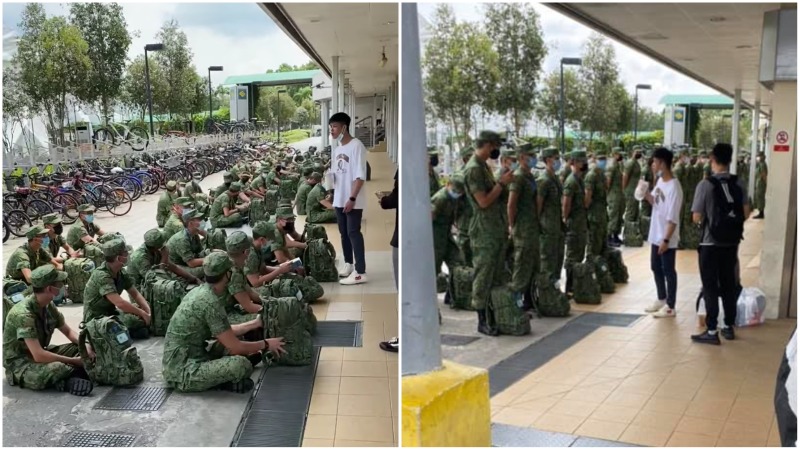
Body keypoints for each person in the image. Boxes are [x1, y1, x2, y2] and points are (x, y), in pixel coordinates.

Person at [162, 251, 287, 393]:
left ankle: (222, 376)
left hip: (191, 355)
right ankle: (222, 382)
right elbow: (236, 347)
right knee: (241, 365)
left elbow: (225, 331)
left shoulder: (201, 291)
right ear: (227, 274)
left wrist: (254, 324)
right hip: (183, 372)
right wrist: (266, 344)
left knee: (231, 343)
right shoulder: (211, 302)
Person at [690, 143, 750, 344]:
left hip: (710, 244)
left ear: (712, 159)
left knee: (710, 287)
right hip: (731, 243)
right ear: (730, 160)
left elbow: (696, 217)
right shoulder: (739, 183)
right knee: (728, 285)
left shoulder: (705, 185)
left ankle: (712, 330)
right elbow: (746, 213)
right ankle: (728, 327)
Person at [3, 266, 94, 396]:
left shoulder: (47, 305)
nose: (63, 285)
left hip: (42, 352)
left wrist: (85, 345)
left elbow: (68, 332)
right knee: (57, 367)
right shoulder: (23, 315)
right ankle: (67, 380)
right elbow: (38, 355)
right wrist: (74, 361)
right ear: (50, 289)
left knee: (82, 348)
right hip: (21, 364)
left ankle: (70, 375)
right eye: (59, 283)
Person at [463, 130, 510, 336]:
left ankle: (496, 314)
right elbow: (483, 202)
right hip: (484, 232)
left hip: (495, 229)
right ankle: (481, 320)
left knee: (497, 275)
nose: (497, 150)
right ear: (488, 145)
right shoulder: (474, 169)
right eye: (496, 146)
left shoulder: (483, 167)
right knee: (483, 275)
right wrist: (501, 184)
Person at [642, 147, 683, 318]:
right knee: (655, 266)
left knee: (668, 270)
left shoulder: (674, 187)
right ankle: (661, 298)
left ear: (663, 163)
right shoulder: (660, 182)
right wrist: (644, 194)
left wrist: (666, 240)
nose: (653, 164)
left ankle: (671, 306)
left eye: (655, 161)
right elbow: (655, 201)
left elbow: (673, 217)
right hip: (656, 233)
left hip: (667, 236)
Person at [82, 239, 151, 339]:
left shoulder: (120, 272)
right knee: (133, 320)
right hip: (96, 319)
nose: (127, 255)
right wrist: (143, 314)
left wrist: (147, 311)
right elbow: (120, 303)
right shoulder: (102, 276)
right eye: (125, 253)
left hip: (111, 312)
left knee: (140, 311)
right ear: (118, 258)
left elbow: (135, 293)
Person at [329, 112, 368, 285]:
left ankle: (360, 272)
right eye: (331, 127)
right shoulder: (337, 149)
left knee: (353, 232)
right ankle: (348, 264)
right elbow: (336, 174)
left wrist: (352, 198)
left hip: (352, 199)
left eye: (335, 126)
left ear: (344, 127)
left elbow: (360, 176)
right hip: (339, 198)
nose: (332, 130)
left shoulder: (356, 146)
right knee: (344, 234)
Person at [507, 143, 540, 310]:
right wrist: (512, 227)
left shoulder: (530, 176)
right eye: (530, 156)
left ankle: (528, 299)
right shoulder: (518, 176)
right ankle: (515, 304)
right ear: (521, 158)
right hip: (523, 229)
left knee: (533, 265)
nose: (533, 158)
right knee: (521, 267)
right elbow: (511, 205)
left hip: (532, 228)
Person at [127, 229, 202, 289]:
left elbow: (173, 267)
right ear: (157, 247)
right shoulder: (141, 258)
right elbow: (155, 280)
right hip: (140, 288)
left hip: (154, 280)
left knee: (181, 281)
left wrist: (194, 279)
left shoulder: (155, 250)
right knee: (175, 289)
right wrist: (164, 257)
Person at [431, 174, 465, 301]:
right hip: (436, 236)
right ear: (448, 185)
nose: (457, 193)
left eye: (459, 191)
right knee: (433, 268)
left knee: (457, 262)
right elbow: (430, 216)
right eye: (455, 190)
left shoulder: (456, 199)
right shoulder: (440, 197)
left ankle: (452, 295)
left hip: (446, 234)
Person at [562, 150, 589, 296]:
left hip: (581, 224)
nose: (583, 164)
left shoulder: (579, 180)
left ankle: (574, 285)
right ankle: (569, 287)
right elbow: (566, 204)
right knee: (572, 256)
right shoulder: (571, 181)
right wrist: (565, 219)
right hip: (573, 225)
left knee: (579, 254)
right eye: (580, 161)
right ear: (574, 163)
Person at [537, 147, 565, 285]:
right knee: (547, 260)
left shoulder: (555, 178)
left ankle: (554, 288)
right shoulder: (544, 180)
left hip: (557, 226)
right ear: (548, 160)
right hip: (547, 227)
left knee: (558, 259)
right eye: (556, 158)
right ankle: (546, 291)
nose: (558, 161)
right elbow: (538, 205)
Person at [378, 170, 398, 353]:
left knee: (404, 289)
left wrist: (384, 201)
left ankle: (403, 337)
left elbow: (395, 198)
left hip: (403, 239)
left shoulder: (405, 171)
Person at [244, 222, 293, 289]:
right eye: (270, 239)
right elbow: (255, 283)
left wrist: (284, 269)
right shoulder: (251, 255)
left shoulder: (258, 247)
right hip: (248, 287)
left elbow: (264, 269)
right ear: (262, 239)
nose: (272, 241)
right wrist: (279, 271)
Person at [166, 209, 207, 280]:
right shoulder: (182, 239)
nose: (202, 221)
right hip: (177, 267)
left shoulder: (194, 234)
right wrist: (209, 259)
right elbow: (191, 263)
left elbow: (200, 252)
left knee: (211, 254)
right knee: (209, 267)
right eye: (198, 219)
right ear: (190, 223)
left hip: (187, 261)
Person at [584, 150, 609, 257]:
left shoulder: (602, 175)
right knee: (594, 244)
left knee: (602, 243)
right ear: (594, 159)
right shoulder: (591, 175)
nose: (603, 161)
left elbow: (606, 189)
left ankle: (600, 269)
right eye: (600, 159)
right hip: (594, 215)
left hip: (602, 213)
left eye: (604, 159)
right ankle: (592, 269)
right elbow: (587, 198)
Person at [454, 146, 475, 266]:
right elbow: (453, 200)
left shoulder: (479, 172)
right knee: (466, 257)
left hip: (477, 223)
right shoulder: (459, 176)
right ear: (465, 159)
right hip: (465, 222)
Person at [606, 147, 625, 247]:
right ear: (614, 154)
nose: (621, 156)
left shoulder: (618, 165)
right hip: (613, 194)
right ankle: (609, 237)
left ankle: (616, 235)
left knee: (619, 216)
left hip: (619, 194)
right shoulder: (612, 166)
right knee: (613, 216)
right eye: (619, 154)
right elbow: (608, 182)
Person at [623, 146, 643, 225]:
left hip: (635, 190)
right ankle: (628, 233)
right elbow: (625, 176)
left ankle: (632, 232)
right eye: (637, 152)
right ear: (632, 152)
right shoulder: (630, 162)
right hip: (630, 191)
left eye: (640, 152)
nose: (639, 153)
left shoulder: (636, 163)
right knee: (630, 212)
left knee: (635, 211)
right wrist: (624, 188)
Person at [755, 151, 768, 219]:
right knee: (759, 197)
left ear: (762, 157)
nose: (758, 157)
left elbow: (763, 174)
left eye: (759, 156)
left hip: (761, 184)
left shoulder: (762, 164)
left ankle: (761, 213)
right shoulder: (761, 163)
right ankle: (760, 213)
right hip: (760, 183)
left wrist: (766, 183)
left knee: (760, 198)